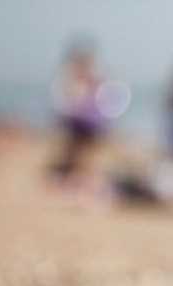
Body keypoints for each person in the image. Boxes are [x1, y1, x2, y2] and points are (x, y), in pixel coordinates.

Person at [51, 39, 107, 188]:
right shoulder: (74, 75)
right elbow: (69, 98)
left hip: (87, 120)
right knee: (78, 151)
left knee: (83, 151)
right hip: (80, 120)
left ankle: (79, 178)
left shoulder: (87, 75)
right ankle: (76, 178)